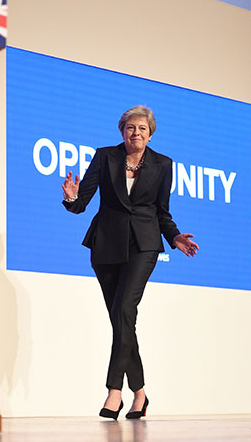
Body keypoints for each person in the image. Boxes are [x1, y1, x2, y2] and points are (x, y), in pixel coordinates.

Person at [62, 105, 198, 420]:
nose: (135, 133)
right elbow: (81, 203)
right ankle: (140, 393)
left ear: (150, 134)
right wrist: (71, 196)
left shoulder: (163, 164)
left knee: (123, 311)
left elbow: (162, 210)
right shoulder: (104, 156)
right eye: (130, 127)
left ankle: (113, 391)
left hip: (144, 245)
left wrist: (174, 237)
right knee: (122, 320)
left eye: (141, 129)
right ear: (122, 130)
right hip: (106, 245)